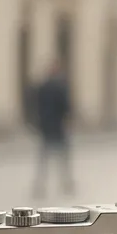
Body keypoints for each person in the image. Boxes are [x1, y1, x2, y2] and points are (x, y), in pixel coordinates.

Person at [32, 61, 73, 196]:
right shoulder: (60, 87)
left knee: (45, 158)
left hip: (46, 127)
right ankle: (66, 183)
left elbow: (36, 106)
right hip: (57, 127)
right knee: (62, 157)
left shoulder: (43, 87)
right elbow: (66, 107)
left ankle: (40, 185)